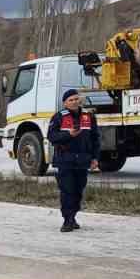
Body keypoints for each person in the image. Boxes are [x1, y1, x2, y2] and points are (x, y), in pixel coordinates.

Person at [46, 88, 99, 232]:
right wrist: (68, 135)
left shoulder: (88, 116)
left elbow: (95, 139)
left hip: (83, 160)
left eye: (76, 99)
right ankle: (67, 220)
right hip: (65, 160)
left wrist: (95, 158)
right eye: (71, 100)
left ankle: (73, 216)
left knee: (78, 190)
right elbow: (51, 137)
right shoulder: (58, 117)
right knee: (67, 190)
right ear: (65, 103)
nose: (74, 102)